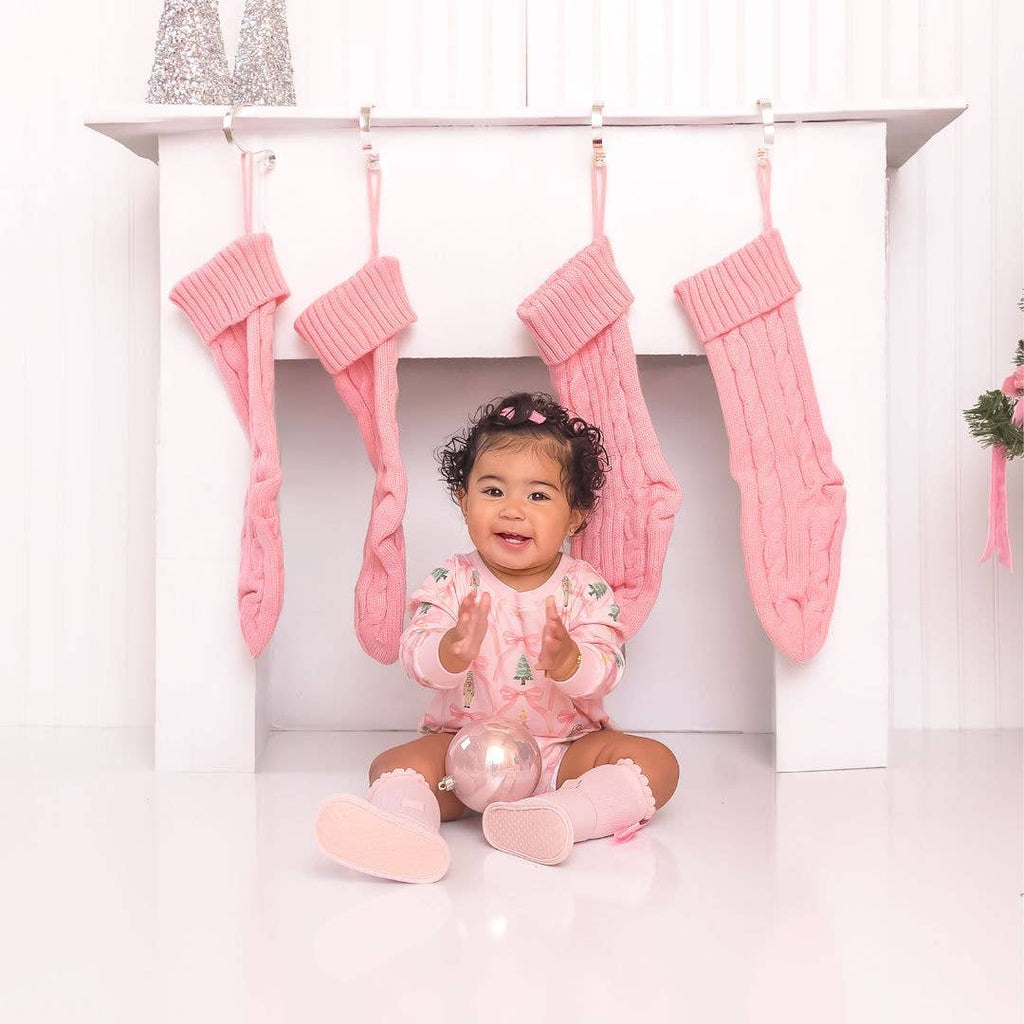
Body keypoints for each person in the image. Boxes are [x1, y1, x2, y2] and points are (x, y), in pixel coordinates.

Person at [314, 392, 680, 883]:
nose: (512, 510)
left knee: (658, 764)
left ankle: (561, 816)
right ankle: (406, 831)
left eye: (538, 495)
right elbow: (414, 654)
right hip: (460, 757)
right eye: (492, 492)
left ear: (575, 515)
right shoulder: (452, 579)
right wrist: (449, 650)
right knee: (395, 762)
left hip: (561, 752)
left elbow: (609, 665)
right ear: (464, 500)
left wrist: (572, 662)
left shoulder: (585, 586)